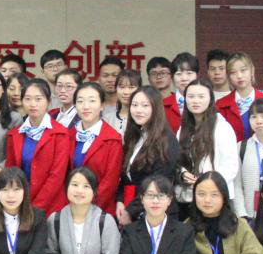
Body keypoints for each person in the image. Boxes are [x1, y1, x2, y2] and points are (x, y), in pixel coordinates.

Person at [5, 78, 71, 215]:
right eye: (28, 99)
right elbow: (10, 173)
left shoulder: (61, 133)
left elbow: (57, 176)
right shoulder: (14, 134)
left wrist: (36, 208)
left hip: (52, 207)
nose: (32, 104)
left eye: (38, 99)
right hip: (20, 205)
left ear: (48, 102)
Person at [174, 81, 239, 219]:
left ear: (210, 99)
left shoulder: (222, 127)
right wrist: (183, 173)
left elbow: (231, 166)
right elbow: (176, 160)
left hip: (216, 198)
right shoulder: (183, 128)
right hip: (187, 198)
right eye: (191, 96)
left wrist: (207, 182)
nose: (195, 101)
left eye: (201, 96)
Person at [117, 86, 180, 224]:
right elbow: (126, 177)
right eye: (134, 105)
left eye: (145, 105)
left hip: (157, 214)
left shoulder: (167, 141)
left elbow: (158, 183)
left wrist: (130, 211)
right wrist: (120, 201)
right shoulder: (135, 136)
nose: (138, 110)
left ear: (156, 108)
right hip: (132, 208)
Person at [66, 81, 122, 214]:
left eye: (92, 101)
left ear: (102, 105)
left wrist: (88, 207)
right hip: (69, 207)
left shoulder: (112, 138)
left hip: (99, 209)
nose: (86, 106)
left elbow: (110, 181)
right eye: (80, 101)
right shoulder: (68, 136)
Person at [214, 52, 263, 141]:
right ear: (228, 76)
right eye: (233, 72)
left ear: (252, 70)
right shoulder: (221, 105)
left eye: (243, 70)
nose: (239, 76)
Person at [163, 51, 199, 131]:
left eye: (189, 73)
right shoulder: (162, 106)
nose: (184, 78)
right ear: (172, 77)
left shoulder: (207, 103)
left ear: (197, 75)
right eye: (179, 74)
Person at [106, 69, 140, 134]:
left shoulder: (145, 118)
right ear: (116, 89)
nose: (126, 92)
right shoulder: (106, 119)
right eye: (122, 87)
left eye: (131, 87)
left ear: (139, 89)